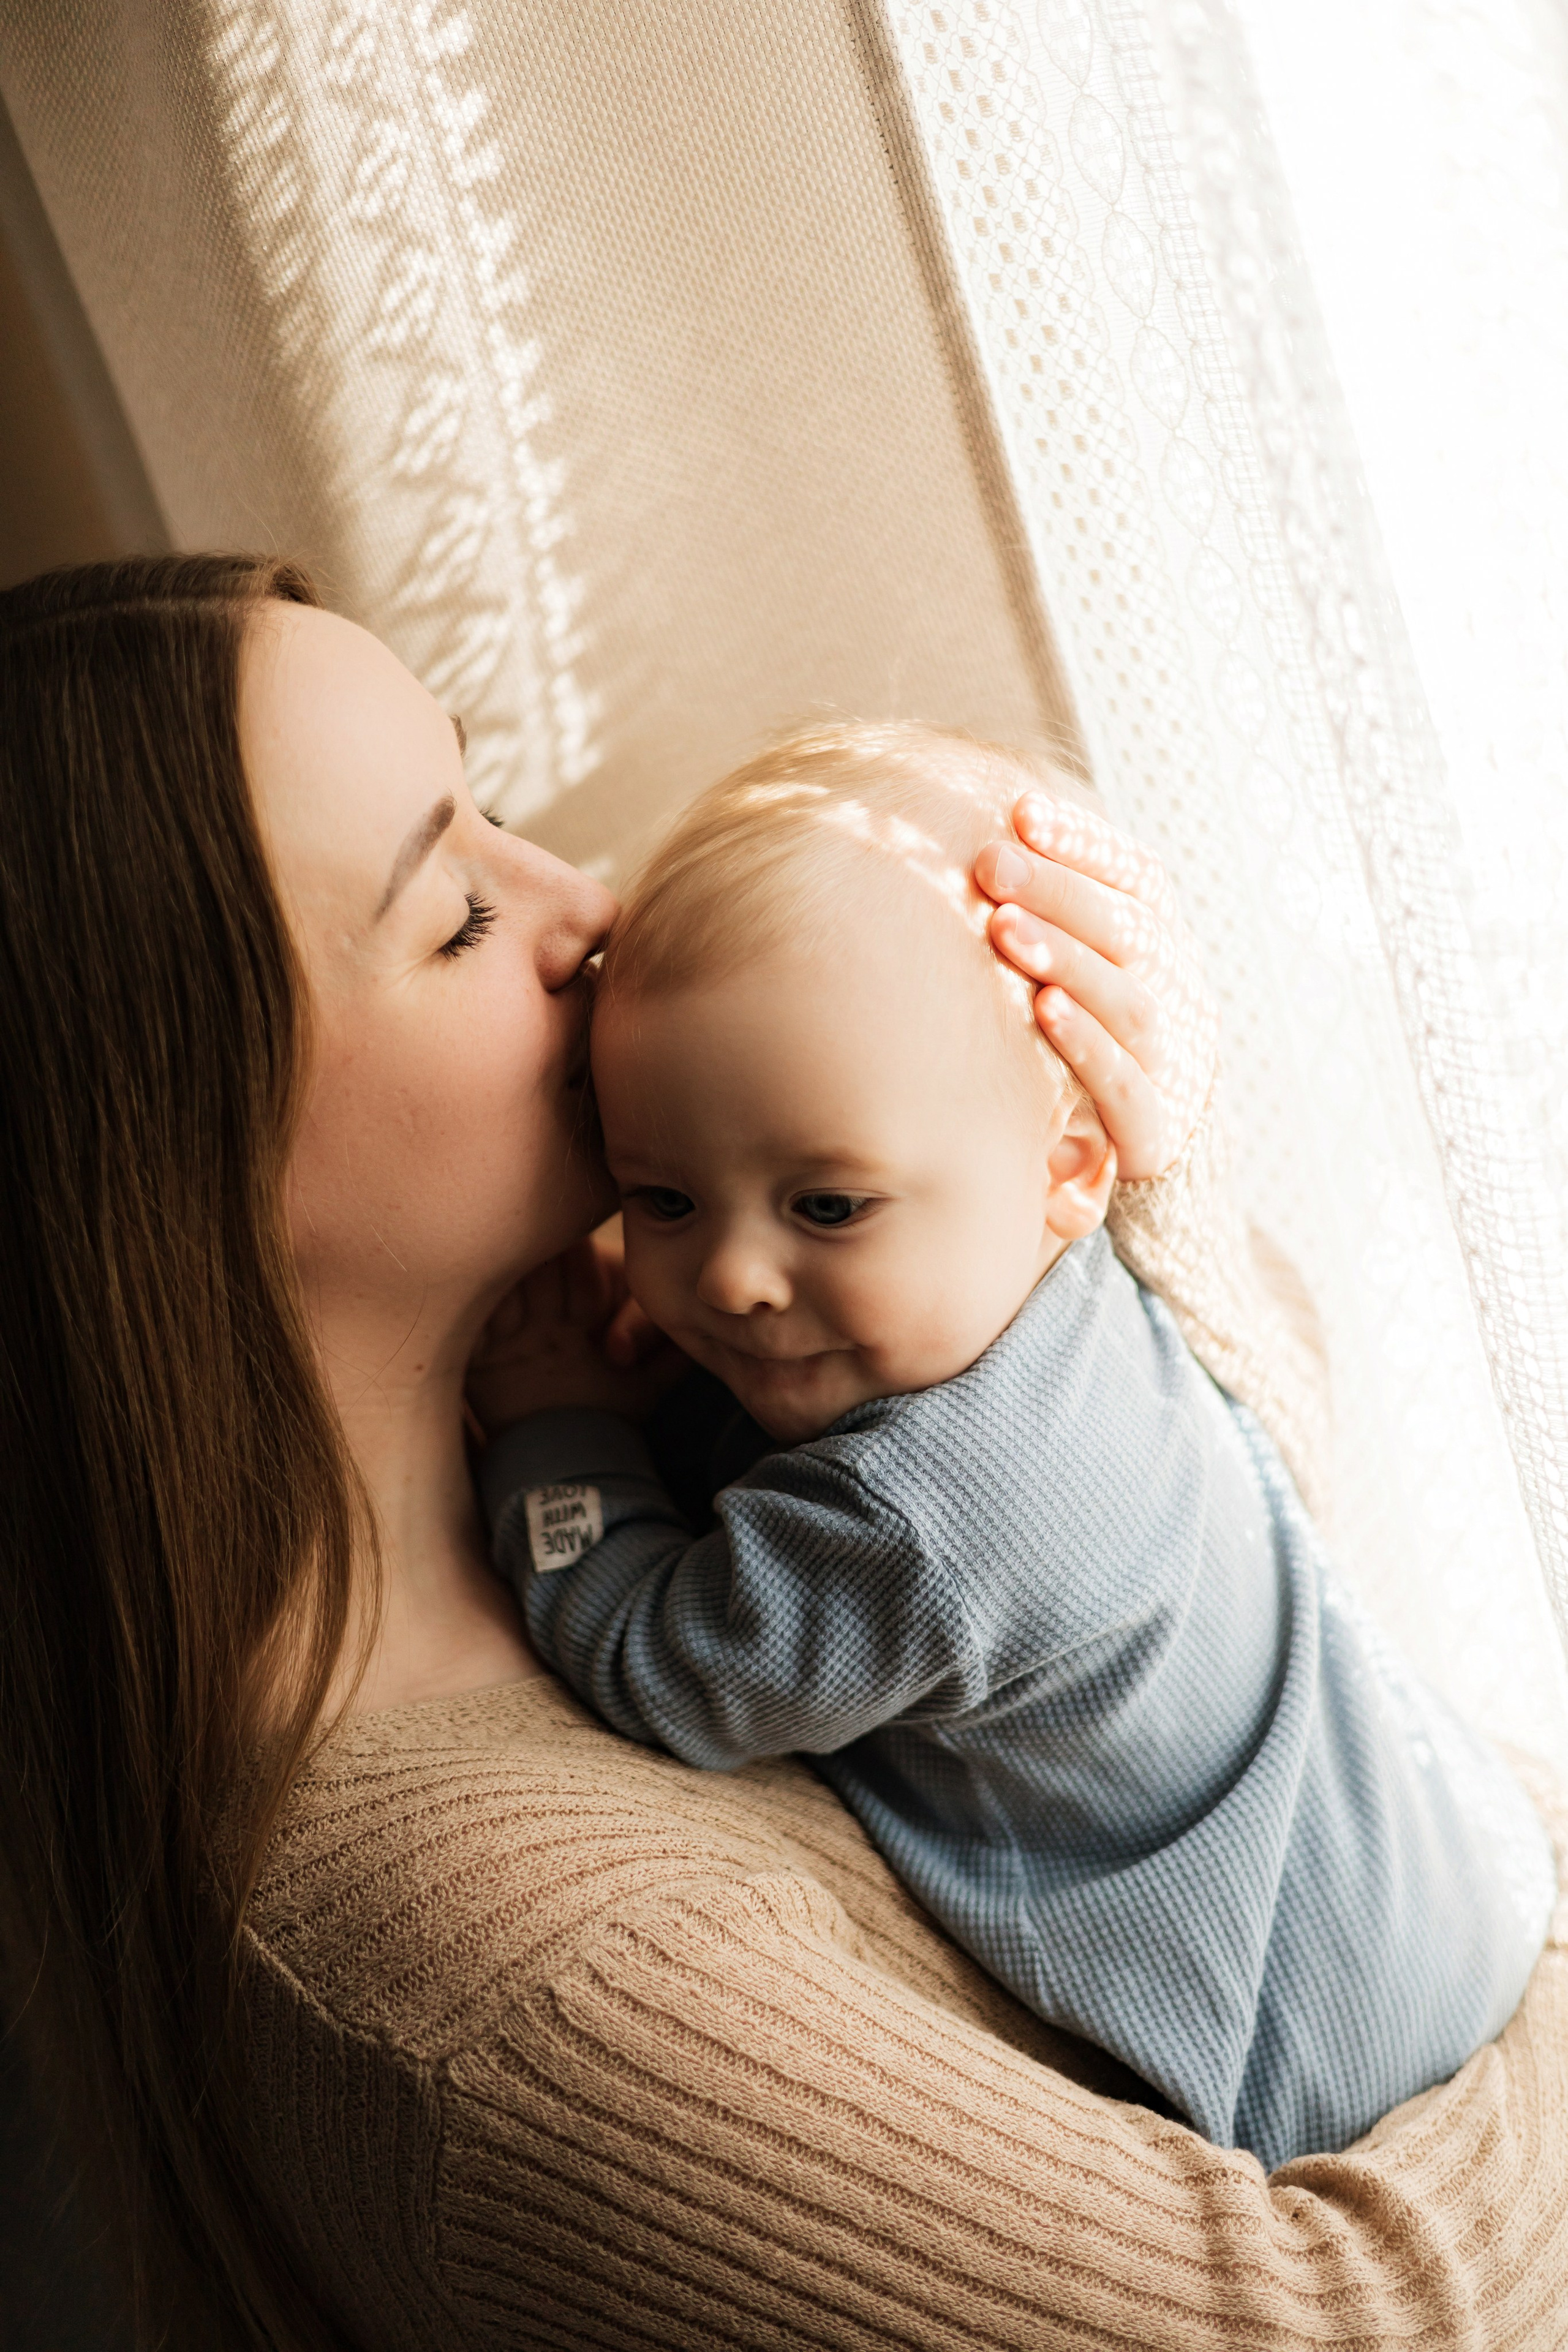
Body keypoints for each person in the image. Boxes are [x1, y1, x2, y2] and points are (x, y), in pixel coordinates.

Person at [0, 554, 1562, 2352]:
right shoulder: (520, 1976)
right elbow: (1367, 2324)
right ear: (173, 1165)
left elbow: (1189, 1574)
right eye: (451, 915)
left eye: (496, 814)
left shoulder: (645, 1336)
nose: (583, 902)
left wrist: (1081, 1161)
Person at [468, 722, 1555, 2176]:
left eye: (826, 1207)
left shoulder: (914, 1523)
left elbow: (662, 1663)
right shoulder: (1045, 1267)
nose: (727, 1278)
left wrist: (559, 1435)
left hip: (1322, 2040)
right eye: (660, 1199)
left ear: (1067, 1163)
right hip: (1438, 1845)